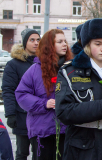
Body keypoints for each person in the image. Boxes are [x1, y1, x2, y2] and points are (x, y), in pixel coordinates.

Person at [55, 18, 102, 160]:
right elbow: (63, 111)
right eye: (98, 44)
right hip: (83, 147)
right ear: (88, 44)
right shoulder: (70, 71)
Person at [15, 29, 72, 160]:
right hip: (42, 130)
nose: (65, 45)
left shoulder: (71, 68)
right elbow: (21, 94)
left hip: (66, 128)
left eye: (65, 41)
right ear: (49, 45)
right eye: (59, 41)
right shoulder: (35, 70)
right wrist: (44, 103)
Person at [2, 28, 40, 160]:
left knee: (39, 153)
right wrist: (10, 114)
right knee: (22, 152)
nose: (36, 43)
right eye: (32, 40)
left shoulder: (43, 63)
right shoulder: (14, 64)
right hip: (21, 116)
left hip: (40, 116)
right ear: (24, 43)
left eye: (38, 40)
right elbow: (8, 90)